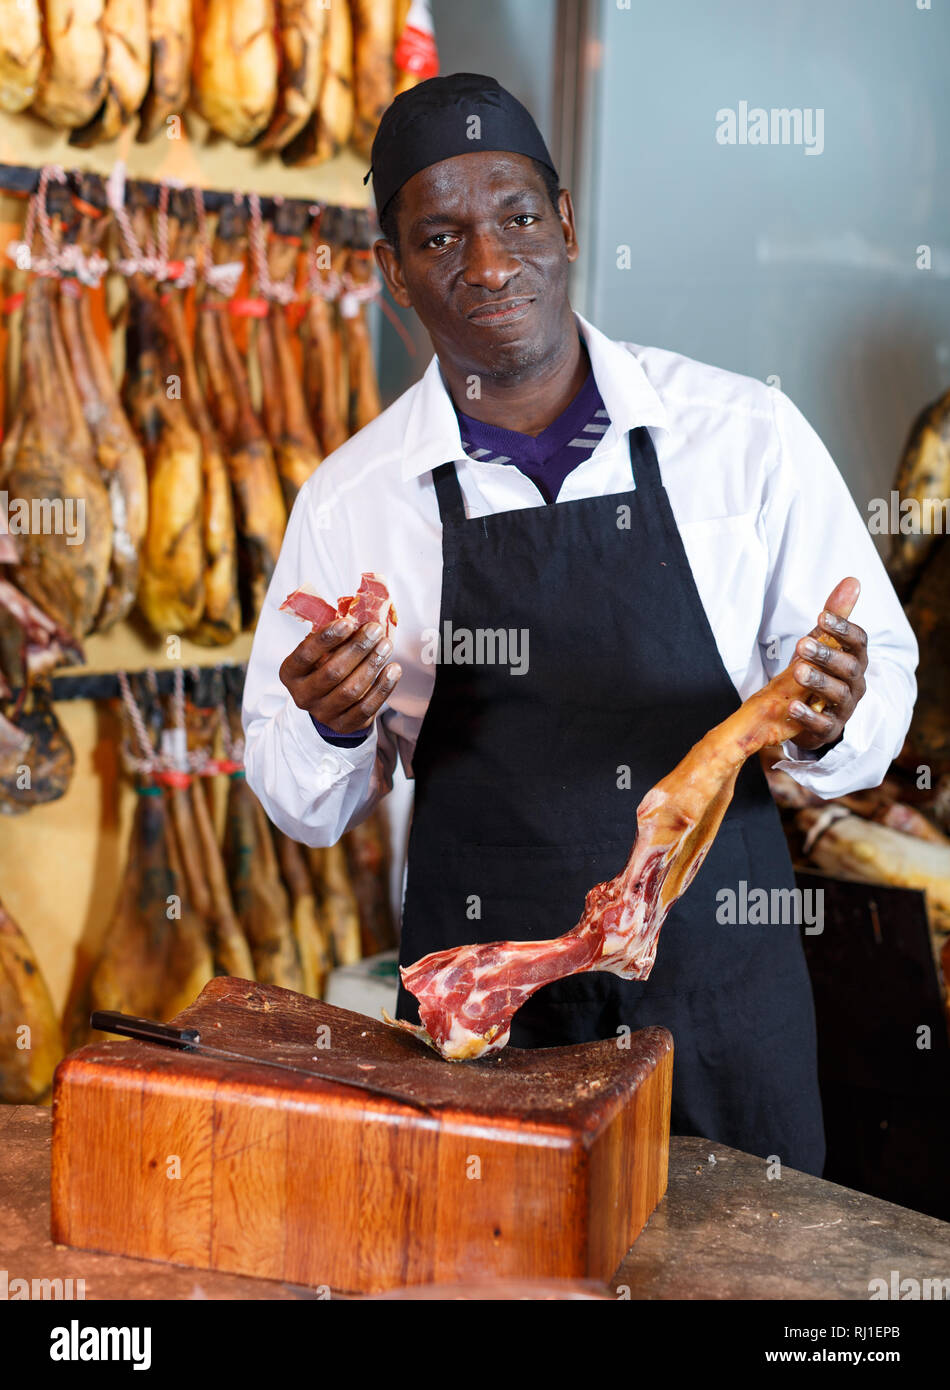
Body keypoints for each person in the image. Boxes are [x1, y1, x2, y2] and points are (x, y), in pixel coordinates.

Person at [242, 73, 918, 1177]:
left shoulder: (740, 435)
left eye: (515, 216)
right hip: (487, 1017)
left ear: (563, 221)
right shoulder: (353, 499)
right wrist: (327, 725)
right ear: (392, 274)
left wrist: (827, 719)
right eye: (441, 235)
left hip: (718, 997)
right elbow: (296, 802)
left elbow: (873, 686)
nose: (491, 262)